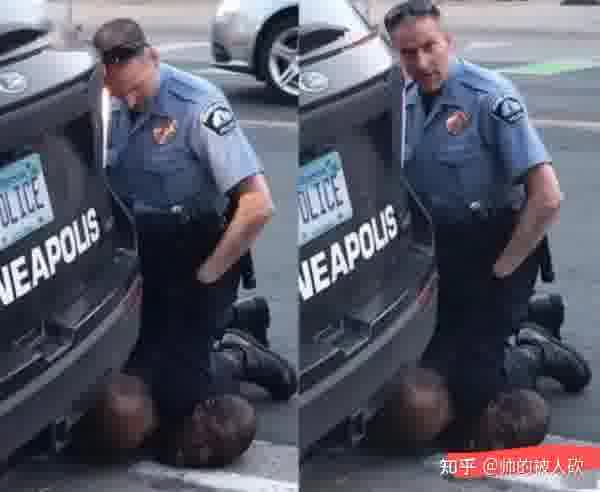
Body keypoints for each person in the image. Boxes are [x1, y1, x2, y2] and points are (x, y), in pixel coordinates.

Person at [368, 0, 591, 452]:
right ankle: (523, 319)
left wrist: (502, 272)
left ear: (448, 42)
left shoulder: (490, 97)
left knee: (474, 391)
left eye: (430, 47)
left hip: (498, 248)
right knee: (421, 376)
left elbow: (547, 198)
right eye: (408, 52)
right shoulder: (400, 101)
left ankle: (534, 348)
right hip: (439, 254)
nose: (421, 62)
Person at [85, 18, 297, 463]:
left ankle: (239, 353)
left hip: (200, 256)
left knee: (178, 394)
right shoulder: (107, 103)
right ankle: (230, 321)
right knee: (123, 368)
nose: (128, 101)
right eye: (117, 92)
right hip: (144, 260)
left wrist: (208, 276)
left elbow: (258, 205)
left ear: (152, 57)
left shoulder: (197, 104)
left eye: (134, 91)